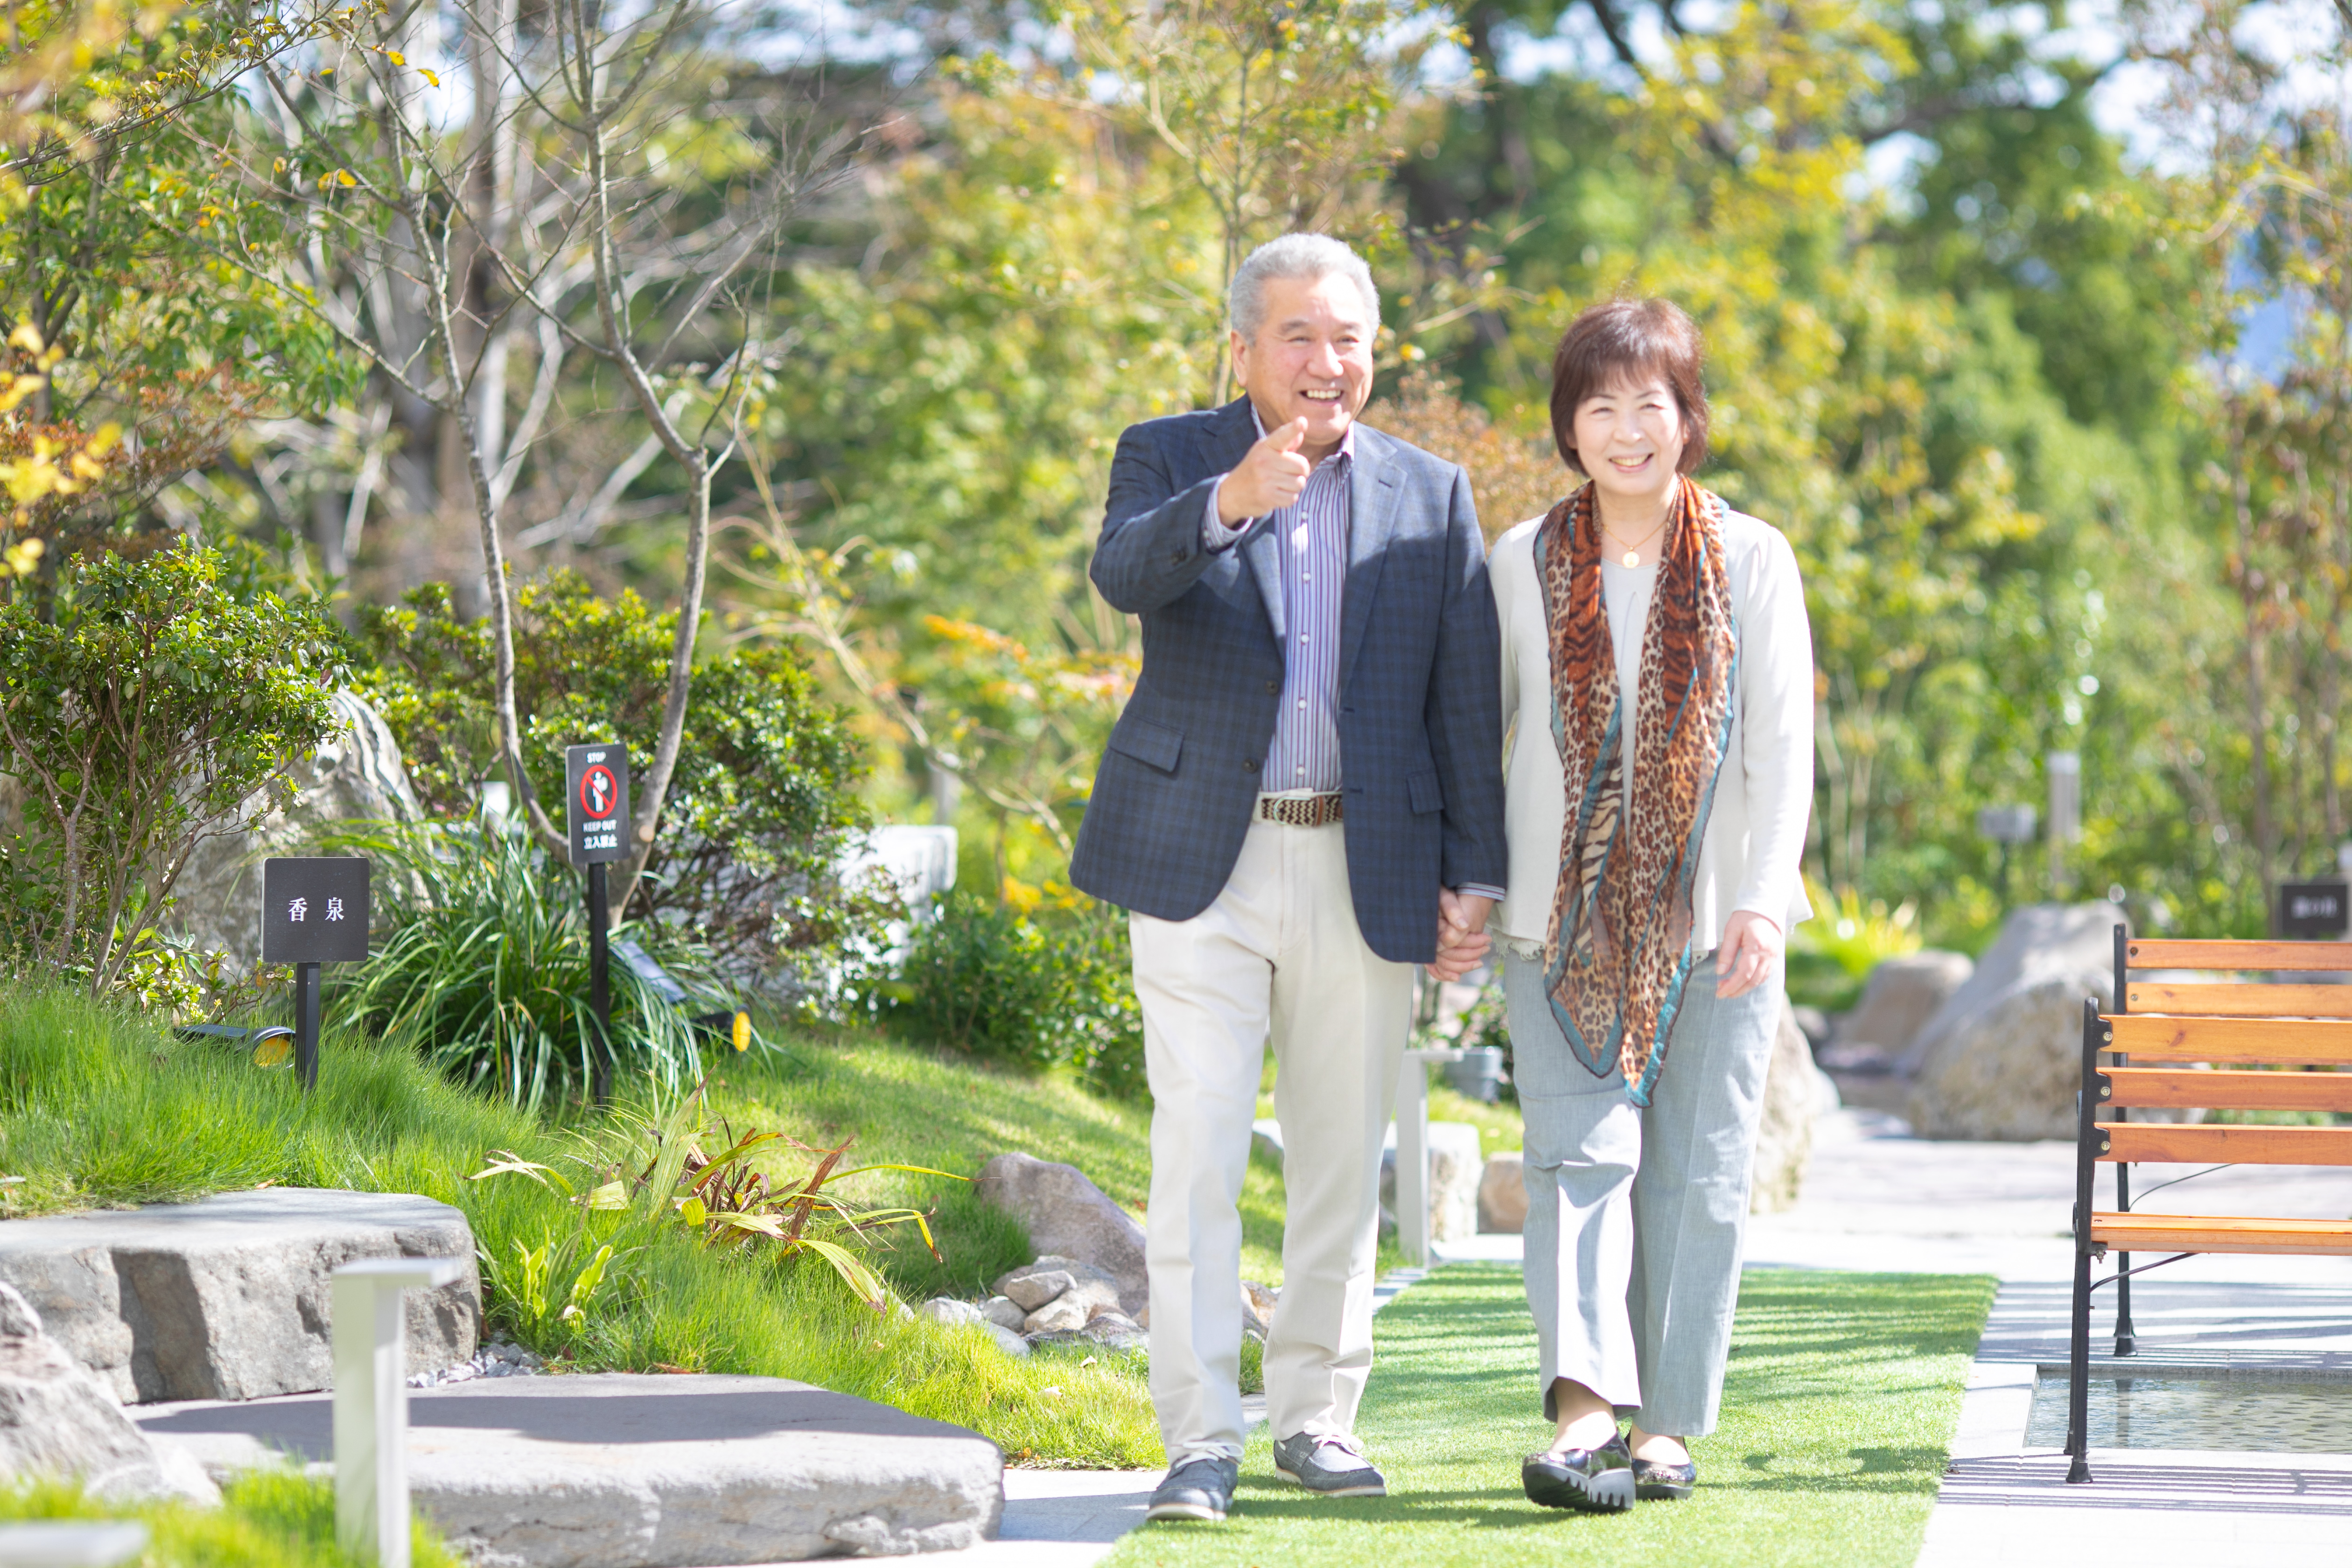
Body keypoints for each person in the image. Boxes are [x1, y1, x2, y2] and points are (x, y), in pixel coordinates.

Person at [1071, 232, 1507, 1525]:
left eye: (1349, 339)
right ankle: (1201, 1440)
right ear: (1245, 347)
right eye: (1300, 336)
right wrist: (1232, 500)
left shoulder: (1432, 492)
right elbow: (1119, 573)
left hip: (1367, 862)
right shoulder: (1169, 454)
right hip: (1199, 862)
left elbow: (1461, 698)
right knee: (1197, 1153)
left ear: (1375, 351)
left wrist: (1475, 873)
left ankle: (1316, 1419)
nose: (1328, 362)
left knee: (1338, 1161)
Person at [1484, 298, 1813, 1513]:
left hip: (1720, 925)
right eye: (1602, 406)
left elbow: (1783, 749)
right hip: (1556, 923)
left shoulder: (1754, 558)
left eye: (1651, 405)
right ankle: (1584, 1411)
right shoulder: (1518, 560)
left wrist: (1765, 900)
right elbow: (1481, 735)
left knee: (1696, 1175)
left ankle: (1665, 1426)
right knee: (1577, 1161)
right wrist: (1471, 886)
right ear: (1569, 426)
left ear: (1689, 419)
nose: (1628, 430)